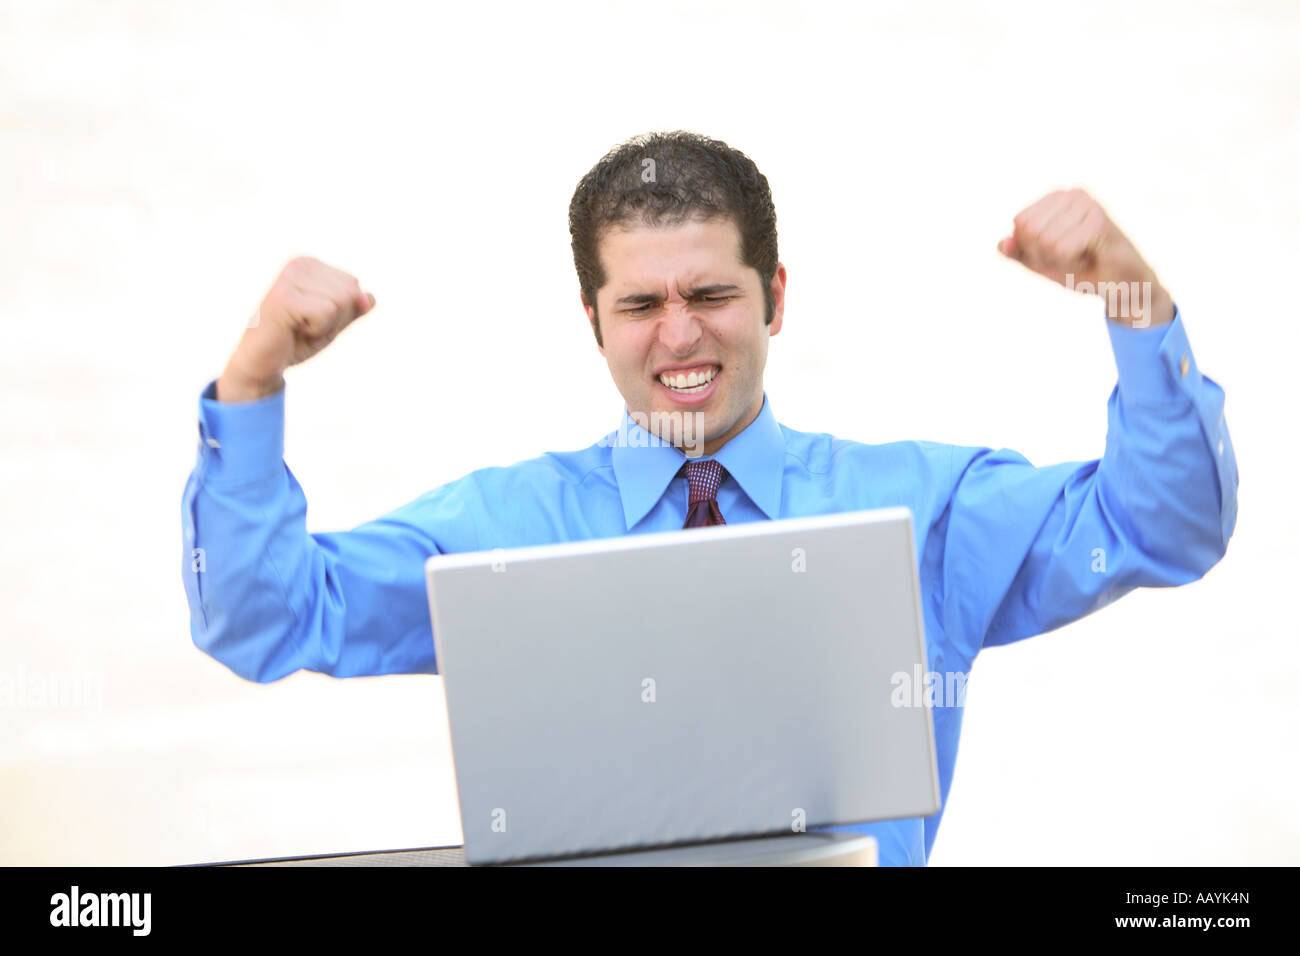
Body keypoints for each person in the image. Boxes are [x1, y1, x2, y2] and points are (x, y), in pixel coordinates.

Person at [180, 131, 1238, 866]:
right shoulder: (498, 533)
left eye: (711, 294)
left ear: (774, 296)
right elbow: (267, 618)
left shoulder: (929, 510)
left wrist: (1128, 292)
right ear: (592, 319)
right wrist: (253, 379)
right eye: (639, 303)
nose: (678, 335)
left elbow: (1167, 523)